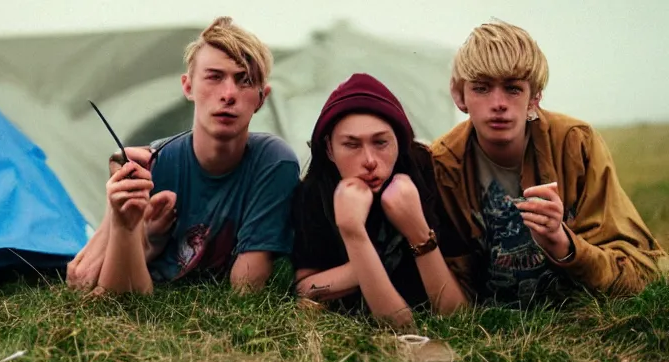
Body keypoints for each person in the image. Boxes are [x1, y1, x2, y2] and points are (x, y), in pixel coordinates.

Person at [430, 20, 668, 306]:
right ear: (459, 95)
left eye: (513, 89)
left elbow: (643, 269)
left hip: (577, 316)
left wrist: (563, 243)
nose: (498, 103)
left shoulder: (575, 143)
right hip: (494, 329)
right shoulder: (443, 162)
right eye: (481, 88)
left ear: (535, 96)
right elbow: (450, 279)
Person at [65, 17, 300, 295]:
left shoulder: (273, 162)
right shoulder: (151, 167)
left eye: (244, 80)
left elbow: (247, 290)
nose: (228, 94)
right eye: (214, 76)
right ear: (187, 87)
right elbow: (111, 295)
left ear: (262, 98)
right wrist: (124, 224)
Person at [291, 73, 468, 326]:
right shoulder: (314, 191)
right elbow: (305, 288)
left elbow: (457, 316)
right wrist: (354, 234)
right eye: (352, 145)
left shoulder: (423, 170)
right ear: (329, 149)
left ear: (400, 141)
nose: (370, 161)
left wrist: (416, 229)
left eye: (381, 142)